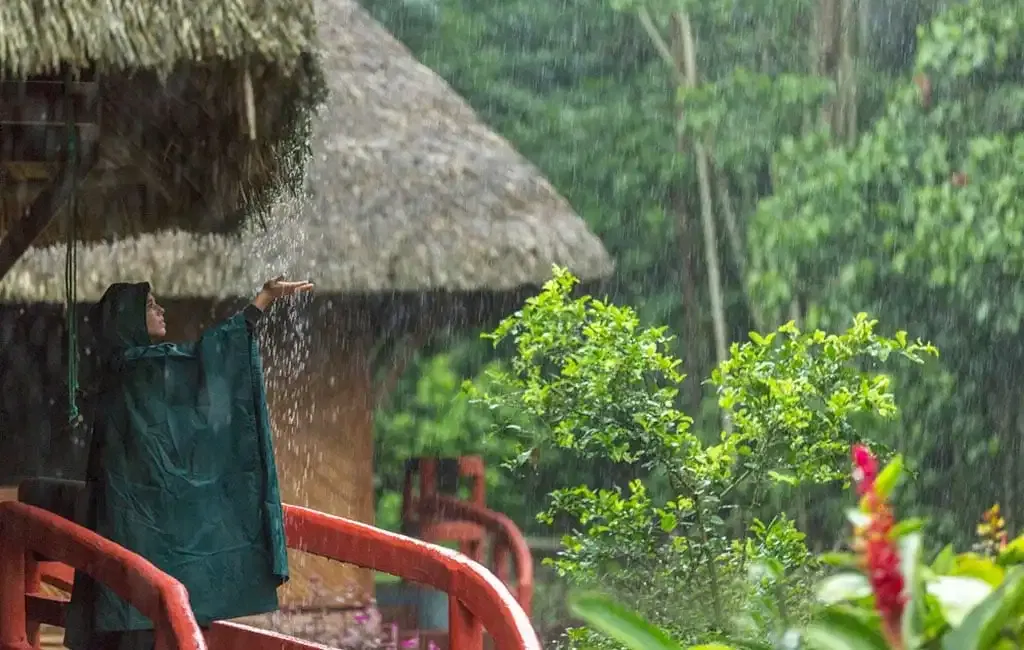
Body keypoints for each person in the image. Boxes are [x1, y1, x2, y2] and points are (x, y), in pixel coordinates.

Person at [64, 276, 314, 650]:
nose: (160, 310)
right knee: (142, 621)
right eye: (150, 304)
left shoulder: (125, 370)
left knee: (135, 615)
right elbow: (205, 360)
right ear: (127, 319)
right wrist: (260, 302)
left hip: (127, 526)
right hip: (133, 529)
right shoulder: (137, 370)